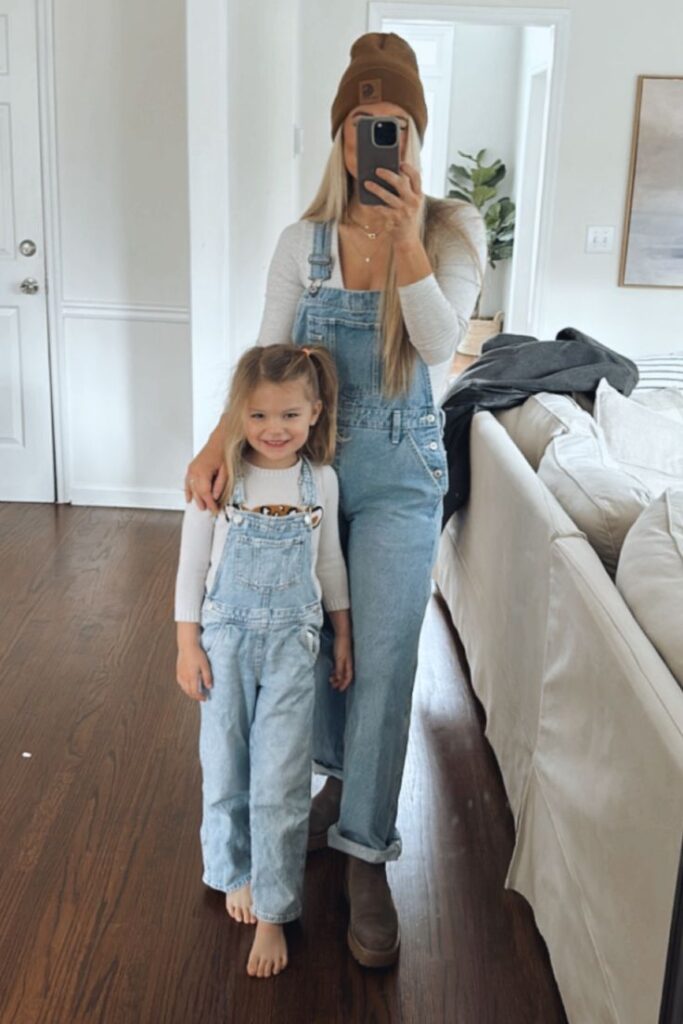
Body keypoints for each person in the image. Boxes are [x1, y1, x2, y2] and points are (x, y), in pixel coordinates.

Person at [185, 32, 486, 968]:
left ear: (415, 132)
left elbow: (437, 349)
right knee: (304, 645)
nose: (374, 141)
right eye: (360, 126)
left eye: (390, 124)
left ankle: (365, 855)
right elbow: (264, 362)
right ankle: (332, 787)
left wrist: (405, 245)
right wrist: (214, 443)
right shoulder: (300, 242)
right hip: (304, 474)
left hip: (399, 478)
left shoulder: (451, 228)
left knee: (386, 659)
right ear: (339, 139)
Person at [175, 343, 352, 979]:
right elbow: (193, 565)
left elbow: (329, 563)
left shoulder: (321, 481)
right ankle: (231, 872)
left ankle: (275, 908)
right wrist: (186, 642)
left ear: (315, 412)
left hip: (293, 647)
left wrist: (343, 635)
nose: (273, 430)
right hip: (223, 639)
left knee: (281, 776)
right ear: (235, 417)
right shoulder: (221, 477)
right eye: (257, 417)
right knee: (224, 762)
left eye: (289, 416)